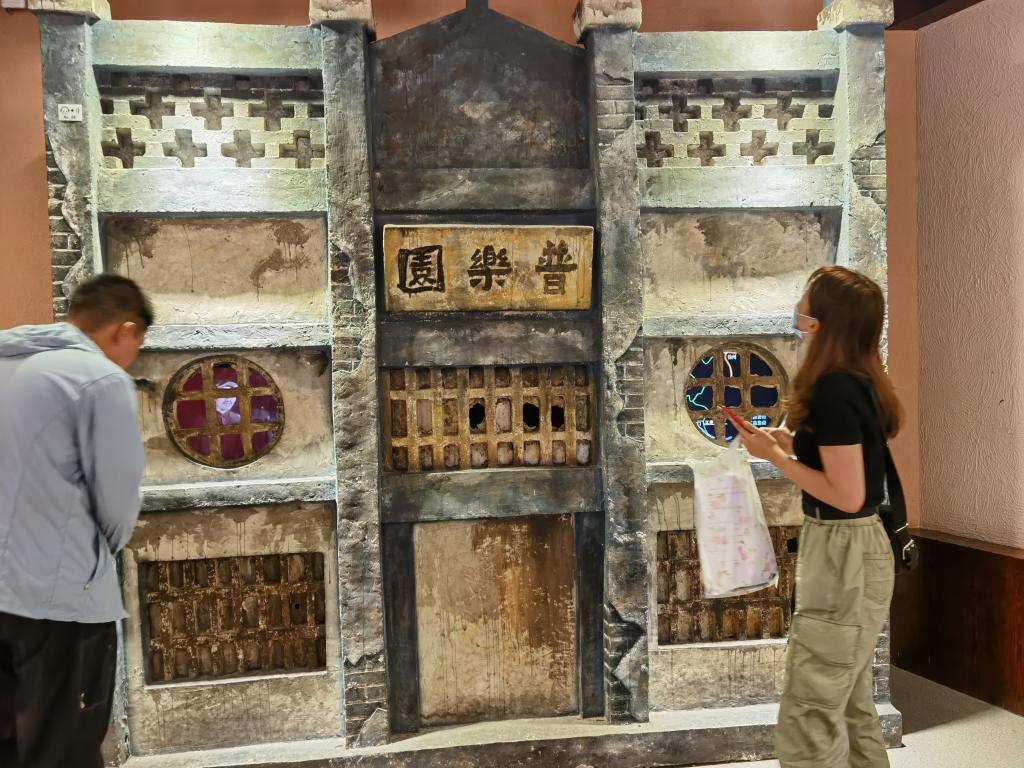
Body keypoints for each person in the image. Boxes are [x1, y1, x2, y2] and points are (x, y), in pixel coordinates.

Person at [723, 266, 900, 768]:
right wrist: (788, 444)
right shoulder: (858, 381)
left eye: (806, 298)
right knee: (848, 701)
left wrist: (777, 459)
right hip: (856, 548)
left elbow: (846, 494)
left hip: (844, 549)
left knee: (811, 709)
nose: (798, 307)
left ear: (822, 321)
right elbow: (849, 466)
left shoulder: (834, 390)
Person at [0, 275, 152, 768]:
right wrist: (97, 560)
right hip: (58, 601)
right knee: (62, 748)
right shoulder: (98, 379)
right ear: (124, 330)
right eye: (137, 344)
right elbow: (117, 500)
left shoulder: (8, 363)